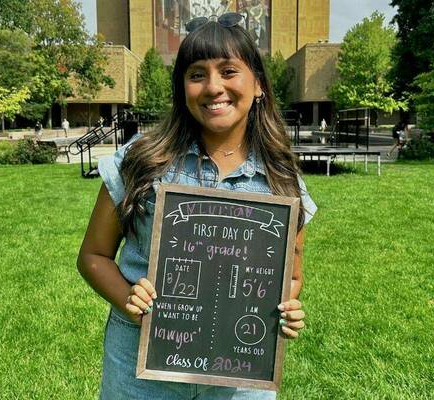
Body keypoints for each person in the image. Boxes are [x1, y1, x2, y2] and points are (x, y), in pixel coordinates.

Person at [77, 13, 317, 400]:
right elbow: (93, 255)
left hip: (241, 377)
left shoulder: (283, 183)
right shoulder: (140, 161)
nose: (213, 87)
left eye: (228, 71)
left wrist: (287, 307)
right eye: (197, 74)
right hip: (142, 372)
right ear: (182, 88)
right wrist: (127, 299)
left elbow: (291, 274)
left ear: (258, 84)